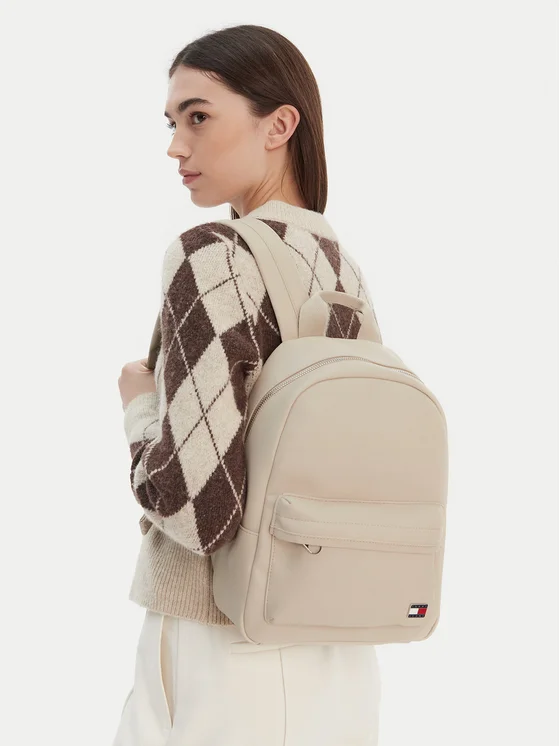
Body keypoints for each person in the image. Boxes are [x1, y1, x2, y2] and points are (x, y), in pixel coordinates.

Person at [113, 23, 382, 746]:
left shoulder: (211, 254)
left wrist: (139, 406)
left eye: (198, 116)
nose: (176, 146)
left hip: (221, 645)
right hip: (339, 642)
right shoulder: (339, 266)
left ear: (279, 125)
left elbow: (197, 509)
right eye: (172, 123)